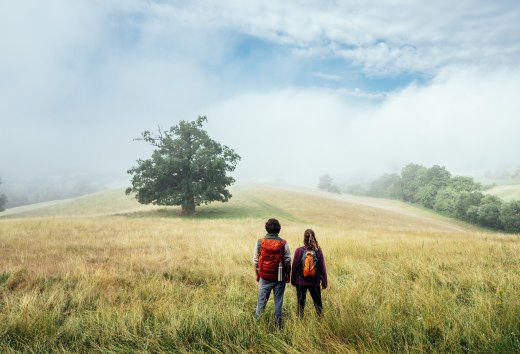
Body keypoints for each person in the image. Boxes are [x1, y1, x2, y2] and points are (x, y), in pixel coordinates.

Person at [252, 218, 291, 328]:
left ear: (266, 228)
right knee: (278, 301)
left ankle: (257, 324)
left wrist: (257, 275)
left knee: (261, 302)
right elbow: (288, 261)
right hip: (279, 277)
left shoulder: (260, 242)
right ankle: (278, 326)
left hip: (264, 277)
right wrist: (288, 276)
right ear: (279, 229)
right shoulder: (283, 243)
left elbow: (255, 260)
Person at [291, 229, 328, 317]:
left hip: (300, 282)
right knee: (318, 304)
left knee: (300, 304)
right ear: (314, 238)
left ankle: (300, 321)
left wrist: (293, 281)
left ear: (304, 239)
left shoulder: (298, 251)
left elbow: (294, 267)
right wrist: (324, 282)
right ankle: (320, 321)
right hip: (314, 282)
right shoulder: (318, 251)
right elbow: (322, 268)